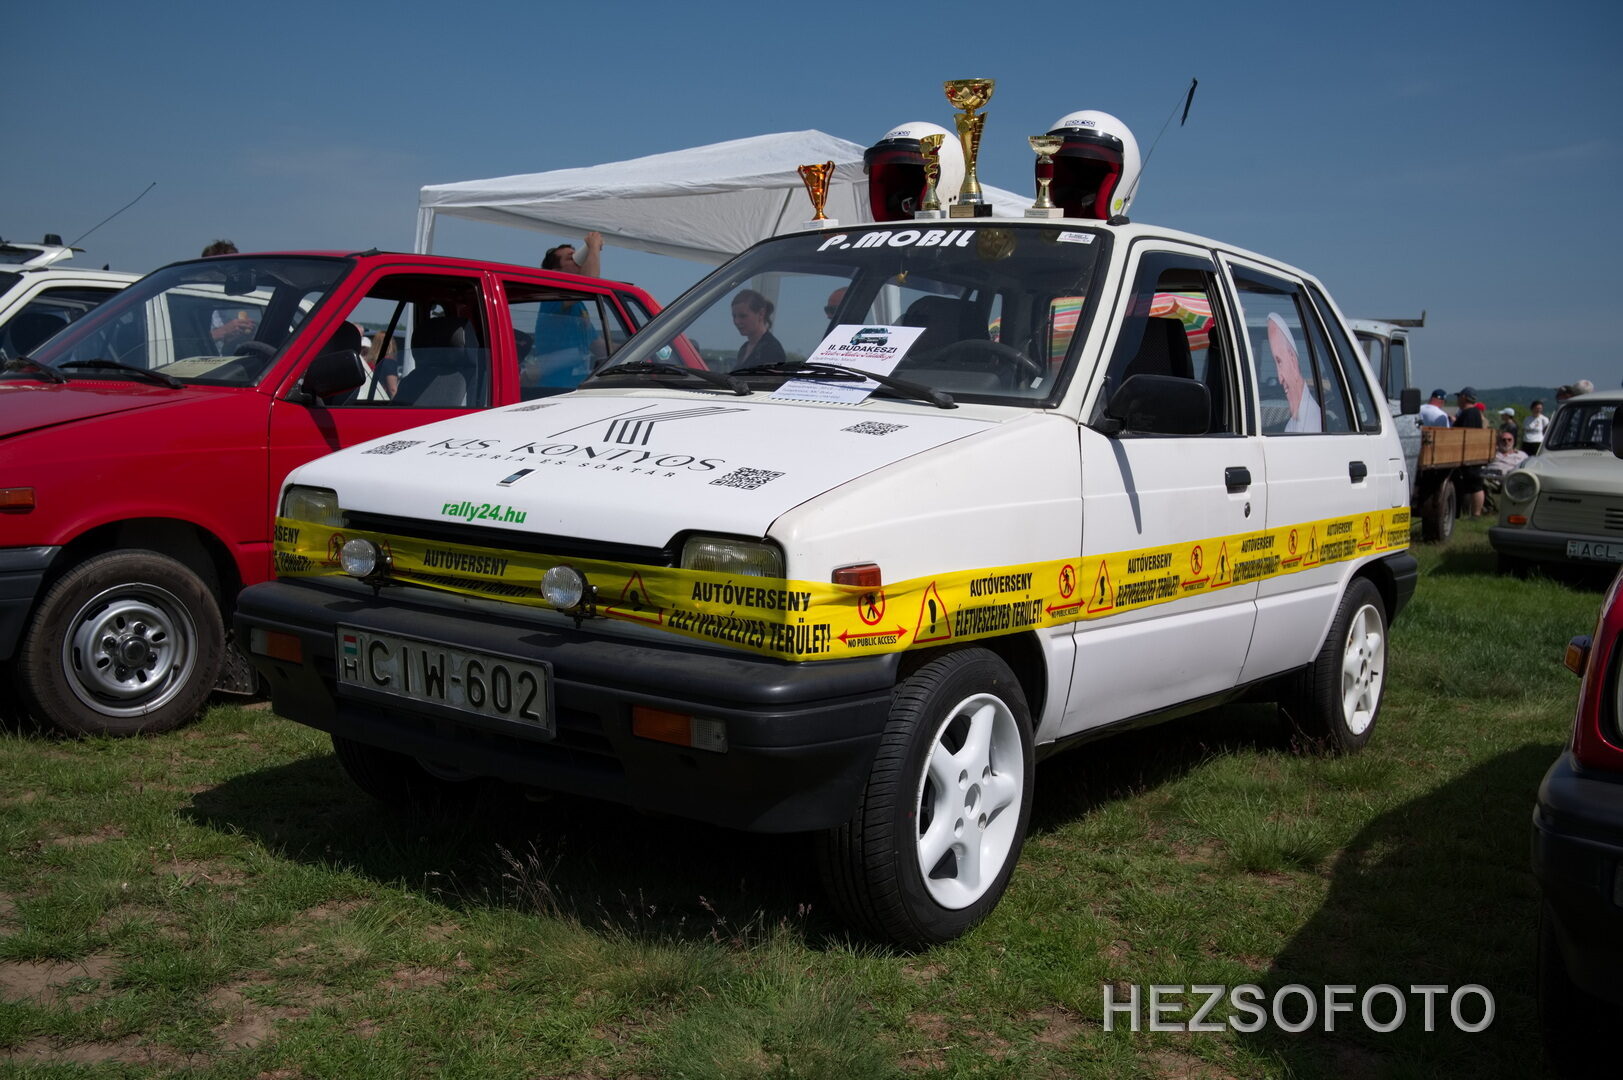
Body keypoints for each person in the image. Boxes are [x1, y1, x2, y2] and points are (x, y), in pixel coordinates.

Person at [1267, 312, 1320, 432]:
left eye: (1279, 362)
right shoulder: (1295, 421)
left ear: (1293, 360)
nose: (1280, 378)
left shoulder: (1313, 422)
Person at [1454, 387, 1487, 517]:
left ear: (1464, 397)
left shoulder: (1468, 413)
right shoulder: (1475, 412)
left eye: (1459, 397)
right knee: (1472, 485)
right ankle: (1472, 513)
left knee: (1475, 486)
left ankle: (1476, 513)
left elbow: (1463, 433)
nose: (1457, 399)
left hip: (1469, 454)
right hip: (1473, 453)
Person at [732, 289, 785, 367]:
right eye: (734, 316)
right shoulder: (744, 349)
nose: (737, 321)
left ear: (761, 314)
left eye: (743, 316)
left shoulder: (771, 350)